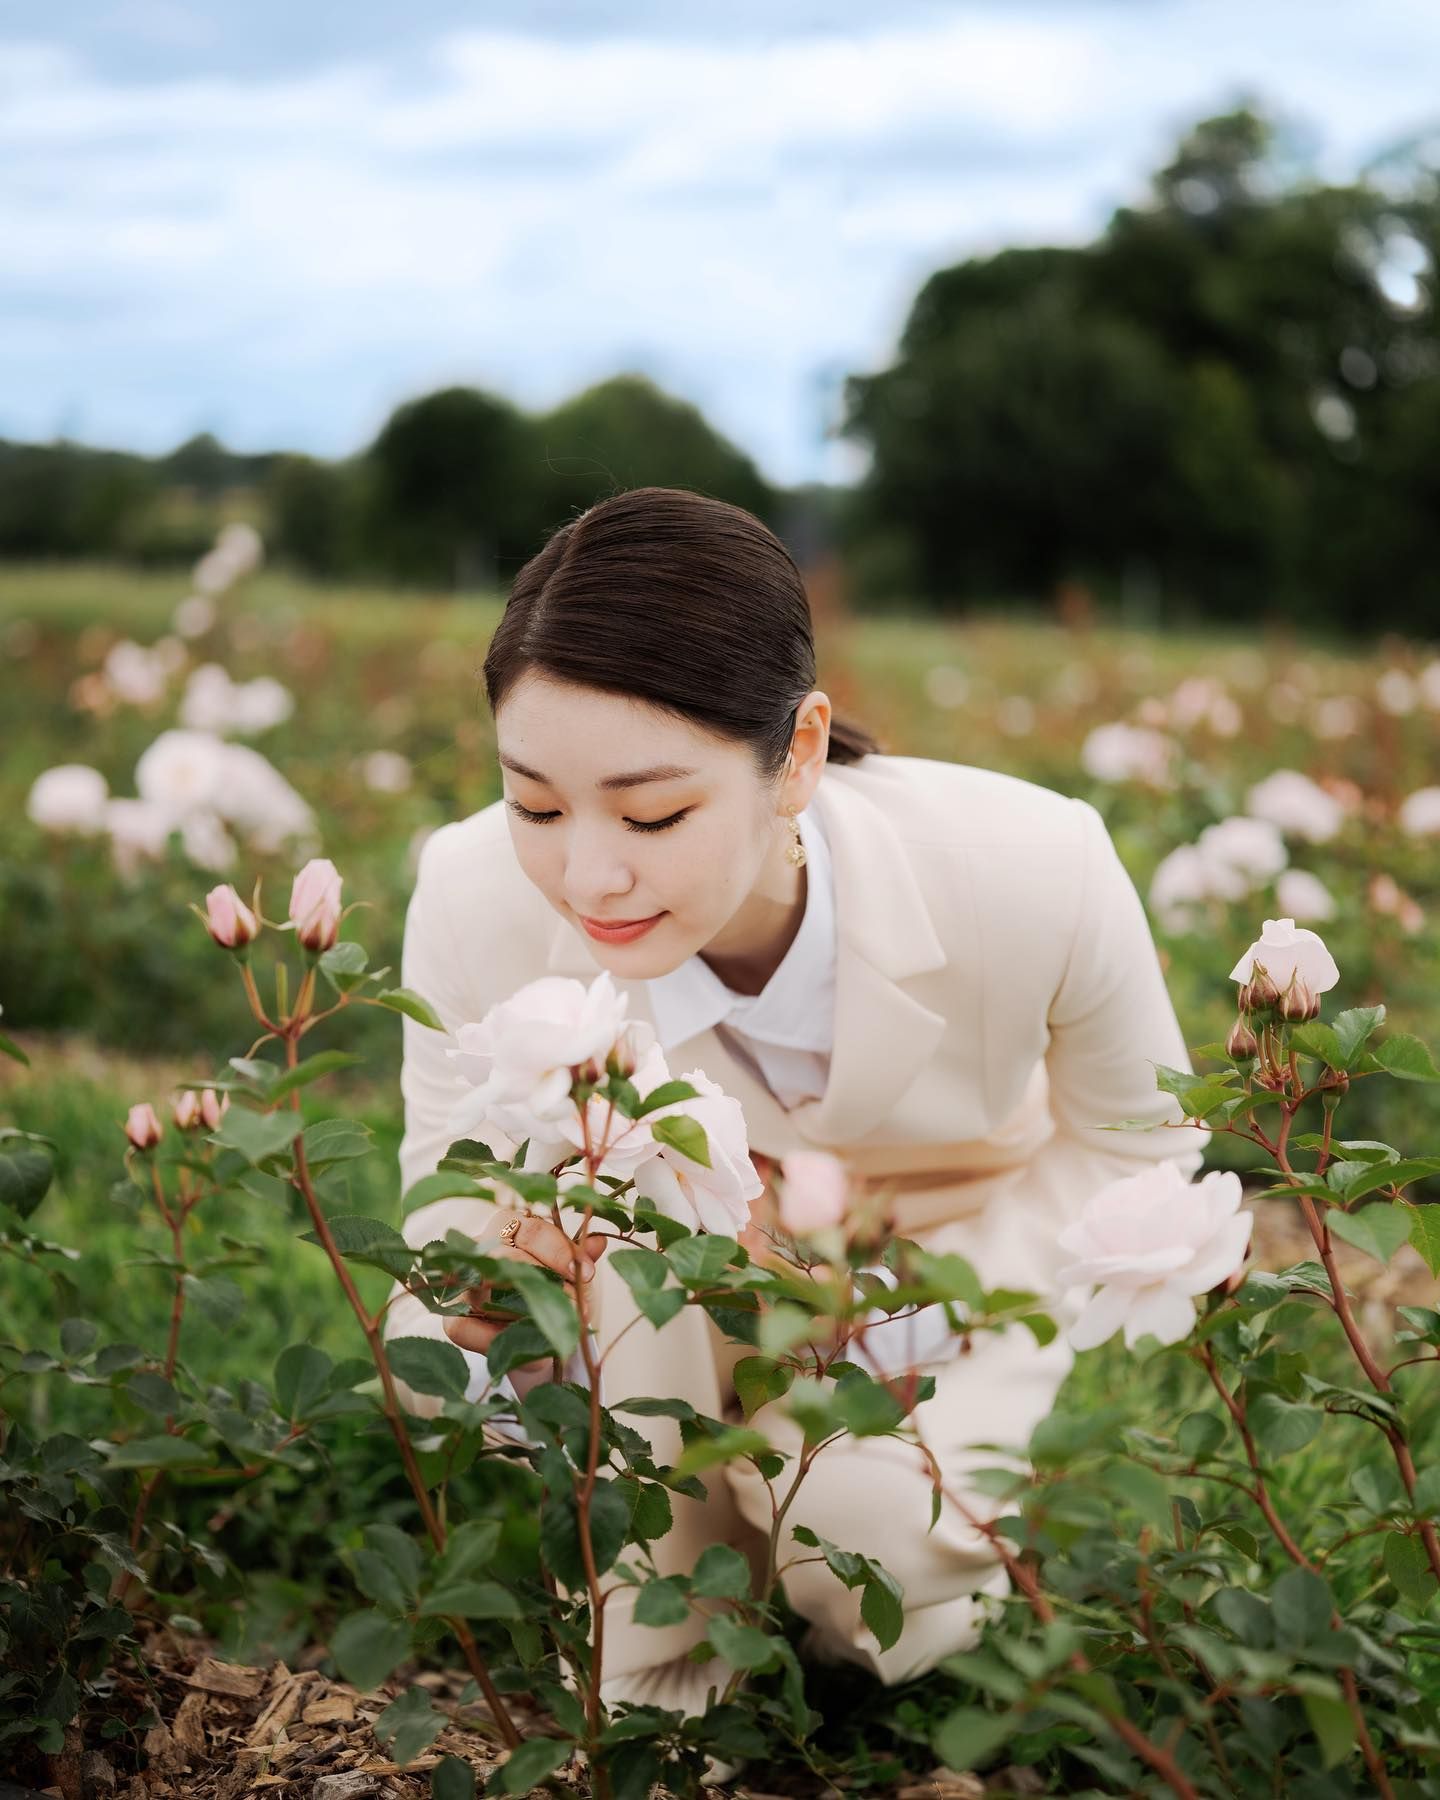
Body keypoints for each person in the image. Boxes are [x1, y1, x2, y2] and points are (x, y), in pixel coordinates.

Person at [382, 485, 1209, 1749]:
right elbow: (446, 1188)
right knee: (631, 1151)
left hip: (958, 1274)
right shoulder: (474, 893)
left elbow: (1144, 1149)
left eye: (653, 813)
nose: (588, 874)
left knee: (852, 1544)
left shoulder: (1033, 866)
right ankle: (652, 1660)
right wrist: (496, 1296)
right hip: (655, 1311)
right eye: (536, 805)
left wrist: (921, 1322)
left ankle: (850, 1578)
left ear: (801, 753)